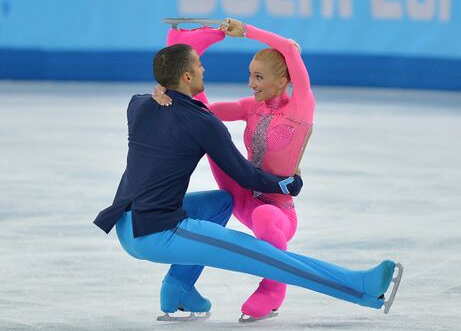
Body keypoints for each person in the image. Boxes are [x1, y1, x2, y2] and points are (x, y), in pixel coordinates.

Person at [94, 42, 402, 322]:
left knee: (221, 203)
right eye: (198, 65)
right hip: (157, 232)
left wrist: (161, 86)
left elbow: (163, 92)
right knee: (266, 257)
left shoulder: (138, 104)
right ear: (186, 77)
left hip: (126, 223)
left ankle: (178, 290)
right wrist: (284, 185)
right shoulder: (204, 123)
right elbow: (243, 174)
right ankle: (360, 287)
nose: (204, 68)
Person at [153, 18, 315, 320]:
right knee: (208, 132)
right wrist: (170, 96)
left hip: (277, 210)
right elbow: (204, 114)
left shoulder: (301, 107)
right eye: (250, 75)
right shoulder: (251, 106)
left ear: (282, 81)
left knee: (265, 215)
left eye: (258, 77)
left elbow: (290, 48)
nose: (251, 83)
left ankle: (272, 289)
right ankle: (185, 48)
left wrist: (248, 31)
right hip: (243, 195)